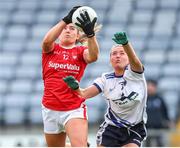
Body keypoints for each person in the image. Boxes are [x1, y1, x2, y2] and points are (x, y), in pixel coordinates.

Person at [64, 32, 147, 147]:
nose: (117, 56)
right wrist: (76, 88)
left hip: (134, 128)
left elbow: (136, 62)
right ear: (110, 60)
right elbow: (84, 94)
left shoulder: (136, 75)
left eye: (122, 53)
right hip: (111, 129)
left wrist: (126, 44)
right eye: (114, 54)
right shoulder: (105, 79)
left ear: (128, 58)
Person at [41, 6, 100, 147]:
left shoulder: (81, 51)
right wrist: (66, 20)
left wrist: (91, 35)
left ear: (78, 35)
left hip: (73, 108)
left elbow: (93, 57)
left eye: (72, 28)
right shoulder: (51, 49)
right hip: (50, 107)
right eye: (64, 28)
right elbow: (46, 42)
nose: (67, 30)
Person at [145, 79, 170, 147]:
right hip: (147, 127)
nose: (149, 88)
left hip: (159, 127)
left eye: (151, 86)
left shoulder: (160, 99)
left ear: (155, 87)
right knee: (147, 145)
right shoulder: (144, 99)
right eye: (148, 85)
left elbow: (165, 111)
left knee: (160, 144)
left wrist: (167, 121)